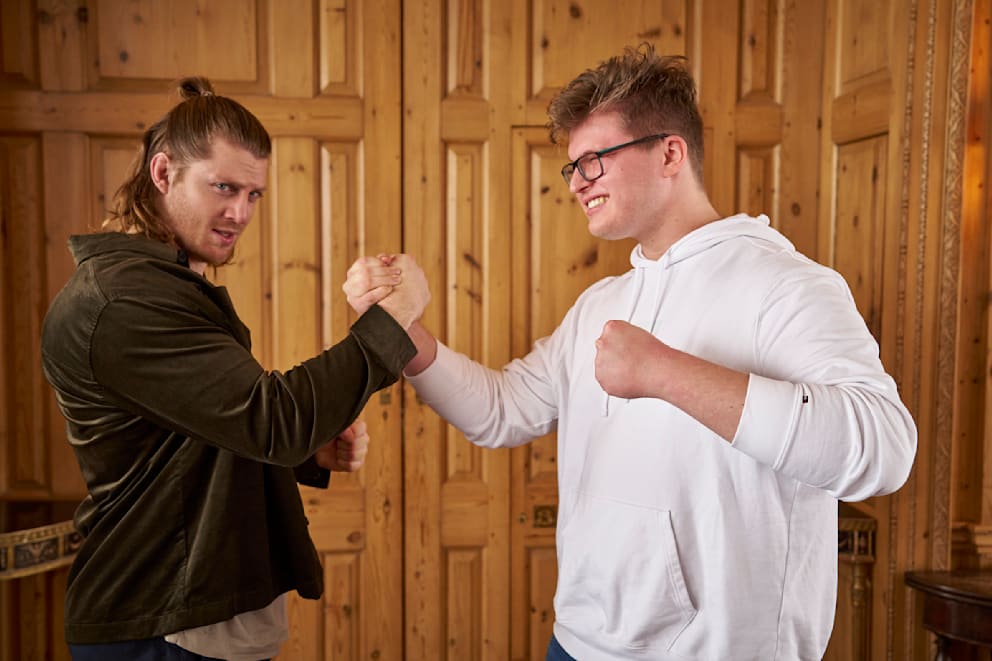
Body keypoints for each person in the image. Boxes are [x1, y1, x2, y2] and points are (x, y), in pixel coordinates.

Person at [344, 45, 917, 660]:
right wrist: (396, 326)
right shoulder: (600, 303)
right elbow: (500, 410)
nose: (578, 182)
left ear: (670, 153)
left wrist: (665, 372)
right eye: (572, 168)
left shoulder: (788, 284)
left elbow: (884, 450)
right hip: (577, 644)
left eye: (595, 159)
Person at [40, 76, 429, 661]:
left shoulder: (156, 285)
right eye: (223, 187)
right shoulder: (126, 301)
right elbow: (269, 419)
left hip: (179, 617)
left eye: (253, 195)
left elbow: (191, 436)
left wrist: (304, 454)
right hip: (161, 622)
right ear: (163, 172)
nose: (239, 213)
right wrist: (398, 314)